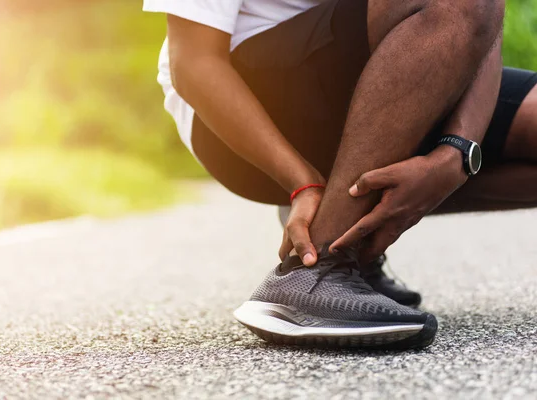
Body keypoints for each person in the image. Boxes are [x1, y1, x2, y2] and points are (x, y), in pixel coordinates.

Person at [143, 0, 537, 349]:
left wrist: (456, 154)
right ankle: (318, 263)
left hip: (399, 68)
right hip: (243, 115)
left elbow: (484, 24)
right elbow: (193, 62)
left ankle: (355, 241)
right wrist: (301, 182)